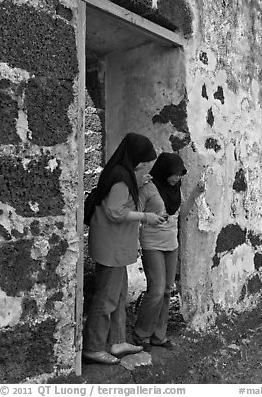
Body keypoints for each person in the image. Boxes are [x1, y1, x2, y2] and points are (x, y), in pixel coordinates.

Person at [83, 132, 165, 365]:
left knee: (118, 295)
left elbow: (123, 201)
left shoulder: (125, 174)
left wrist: (139, 182)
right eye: (145, 163)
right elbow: (115, 211)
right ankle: (93, 346)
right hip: (111, 245)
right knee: (106, 298)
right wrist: (145, 216)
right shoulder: (121, 178)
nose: (146, 167)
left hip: (116, 244)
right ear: (136, 159)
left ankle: (116, 341)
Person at [132, 152, 187, 351]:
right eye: (174, 174)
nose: (177, 178)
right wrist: (138, 239)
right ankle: (141, 334)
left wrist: (197, 193)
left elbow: (182, 213)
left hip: (171, 243)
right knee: (156, 290)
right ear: (164, 170)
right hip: (152, 243)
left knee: (166, 290)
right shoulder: (148, 188)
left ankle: (159, 336)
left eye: (180, 174)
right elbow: (135, 214)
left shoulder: (176, 189)